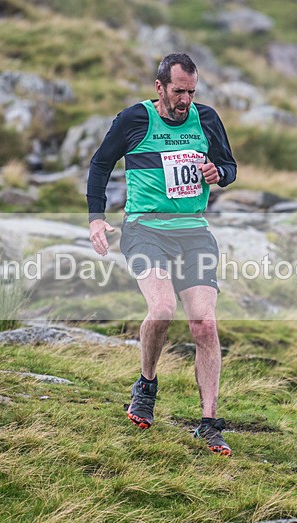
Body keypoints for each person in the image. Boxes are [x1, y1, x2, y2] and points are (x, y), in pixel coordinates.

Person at [86, 53, 237, 456]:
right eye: (178, 91)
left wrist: (217, 173)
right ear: (160, 87)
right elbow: (100, 165)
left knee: (204, 324)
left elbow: (229, 166)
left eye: (191, 91)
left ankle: (208, 423)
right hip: (144, 230)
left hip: (194, 235)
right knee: (163, 308)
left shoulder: (206, 119)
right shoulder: (134, 120)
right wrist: (96, 219)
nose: (186, 99)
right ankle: (146, 385)